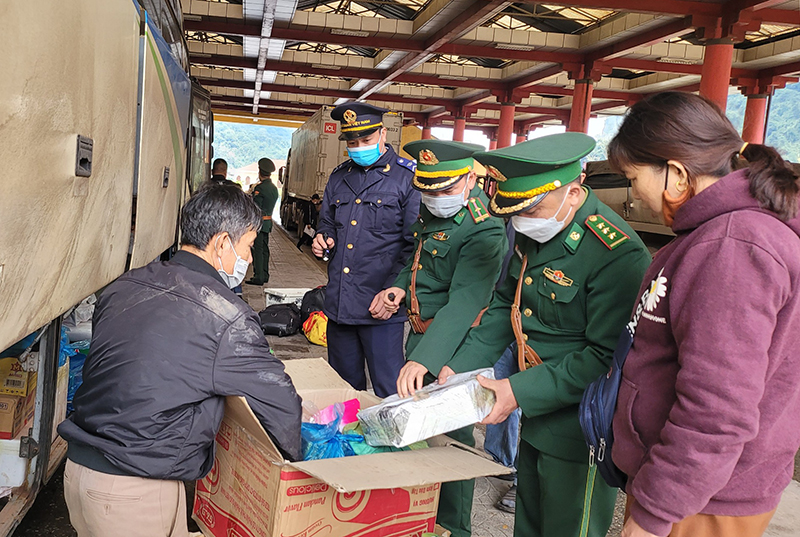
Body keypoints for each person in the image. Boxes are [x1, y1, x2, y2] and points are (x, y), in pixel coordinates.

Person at [58, 184, 302, 537]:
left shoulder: (125, 285)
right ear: (221, 243)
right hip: (133, 489)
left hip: (85, 471)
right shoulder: (225, 315)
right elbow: (280, 405)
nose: (249, 260)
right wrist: (306, 465)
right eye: (248, 246)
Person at [606, 92, 800, 537]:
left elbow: (717, 407)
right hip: (695, 486)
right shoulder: (723, 235)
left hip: (703, 496)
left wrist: (655, 513)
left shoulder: (730, 247)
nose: (635, 193)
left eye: (635, 178)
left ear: (675, 174)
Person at [439, 133, 652, 537]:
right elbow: (507, 305)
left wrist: (518, 391)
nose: (522, 219)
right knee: (530, 526)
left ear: (574, 193)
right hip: (535, 418)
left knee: (567, 528)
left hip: (579, 429)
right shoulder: (535, 228)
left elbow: (605, 356)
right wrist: (459, 365)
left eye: (534, 207)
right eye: (517, 209)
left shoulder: (615, 253)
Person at [372, 140, 508, 537]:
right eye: (427, 189)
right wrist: (398, 289)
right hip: (421, 336)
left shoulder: (483, 227)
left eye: (445, 189)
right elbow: (420, 263)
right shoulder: (438, 210)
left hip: (454, 344)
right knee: (426, 433)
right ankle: (424, 516)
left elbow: (466, 301)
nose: (434, 198)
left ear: (470, 179)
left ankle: (453, 526)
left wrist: (427, 360)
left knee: (453, 439)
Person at [312, 102, 420, 398]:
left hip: (381, 308)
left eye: (366, 140)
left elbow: (415, 247)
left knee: (389, 392)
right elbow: (327, 224)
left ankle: (390, 446)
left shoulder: (407, 179)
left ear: (383, 133)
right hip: (340, 306)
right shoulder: (338, 177)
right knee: (342, 393)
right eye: (352, 142)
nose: (359, 147)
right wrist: (323, 238)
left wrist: (392, 293)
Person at [246, 158, 279, 286]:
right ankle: (265, 274)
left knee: (257, 250)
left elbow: (255, 206)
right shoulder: (274, 188)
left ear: (260, 172)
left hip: (259, 223)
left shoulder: (260, 188)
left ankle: (258, 276)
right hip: (268, 223)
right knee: (265, 249)